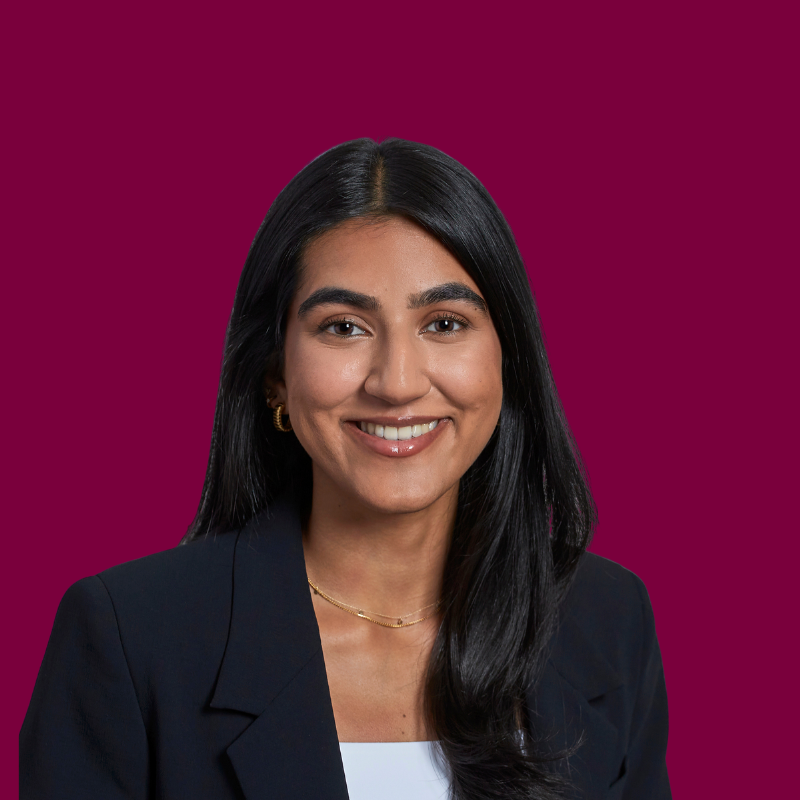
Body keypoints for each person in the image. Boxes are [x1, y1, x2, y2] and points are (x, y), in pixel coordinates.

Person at [20, 138, 671, 799]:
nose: (396, 384)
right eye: (344, 327)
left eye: (444, 323)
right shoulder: (132, 642)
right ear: (275, 375)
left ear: (508, 360)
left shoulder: (605, 619)